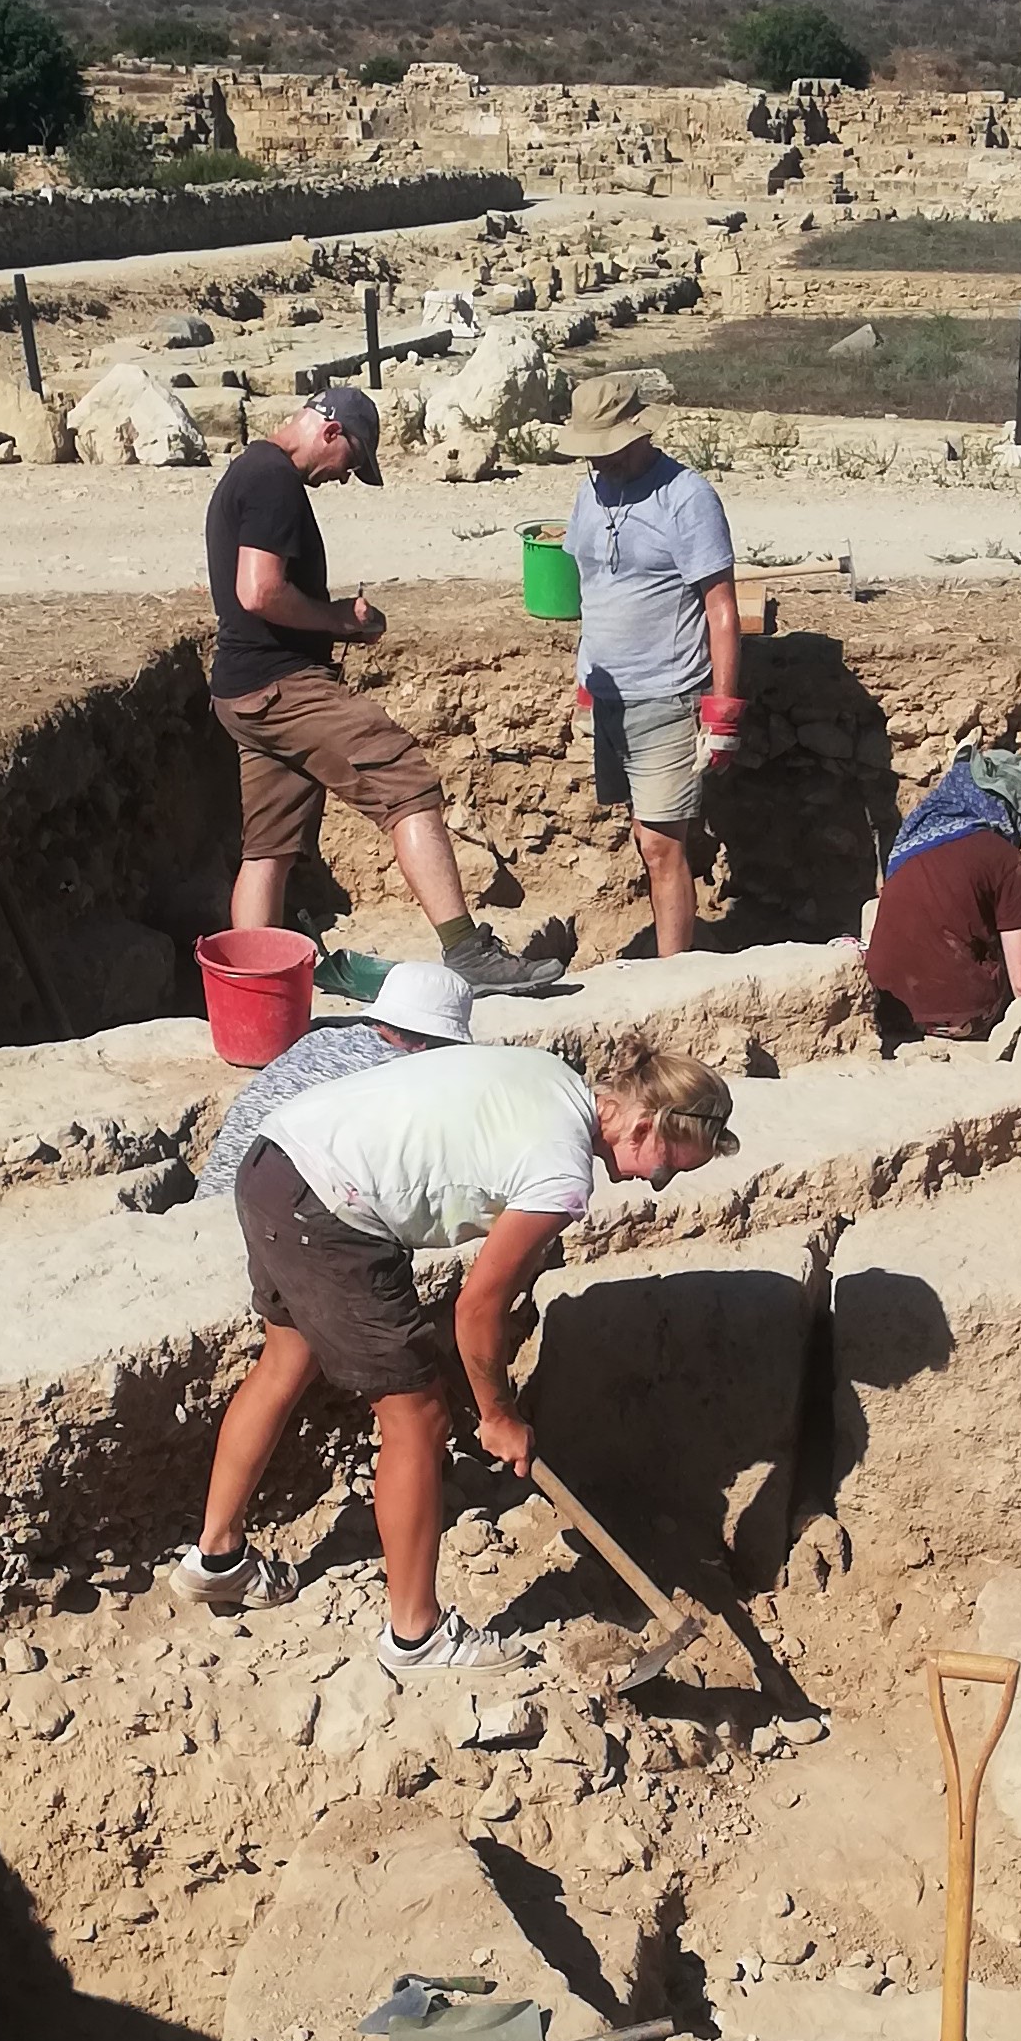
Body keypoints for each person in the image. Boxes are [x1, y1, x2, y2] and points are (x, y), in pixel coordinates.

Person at [172, 1042, 737, 1673]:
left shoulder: (555, 1080)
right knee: (418, 1419)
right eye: (665, 1167)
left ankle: (216, 1561)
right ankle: (416, 1637)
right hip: (331, 1210)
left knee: (287, 1359)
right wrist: (498, 1415)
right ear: (643, 1124)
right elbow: (476, 1310)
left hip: (276, 1165)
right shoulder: (563, 1171)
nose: (654, 1184)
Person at [204, 386, 562, 995]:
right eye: (353, 462)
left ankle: (251, 996)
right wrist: (340, 619)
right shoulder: (273, 481)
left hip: (243, 692)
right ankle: (468, 953)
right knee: (407, 784)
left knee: (269, 849)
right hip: (282, 686)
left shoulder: (250, 470)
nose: (346, 477)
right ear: (331, 431)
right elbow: (259, 591)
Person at [554, 371, 745, 958]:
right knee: (643, 835)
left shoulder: (687, 498)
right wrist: (585, 678)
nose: (599, 462)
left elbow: (722, 609)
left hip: (666, 694)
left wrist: (723, 711)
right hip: (609, 694)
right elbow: (590, 587)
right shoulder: (591, 491)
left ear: (640, 434)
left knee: (663, 845)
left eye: (608, 448)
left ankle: (672, 976)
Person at [196, 961, 474, 1201]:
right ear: (427, 1042)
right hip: (264, 1208)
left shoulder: (321, 1037)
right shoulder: (401, 1075)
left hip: (214, 1190)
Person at [862, 744, 1021, 1041]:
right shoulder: (1006, 860)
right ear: (1008, 807)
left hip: (887, 1008)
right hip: (964, 1016)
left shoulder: (911, 842)